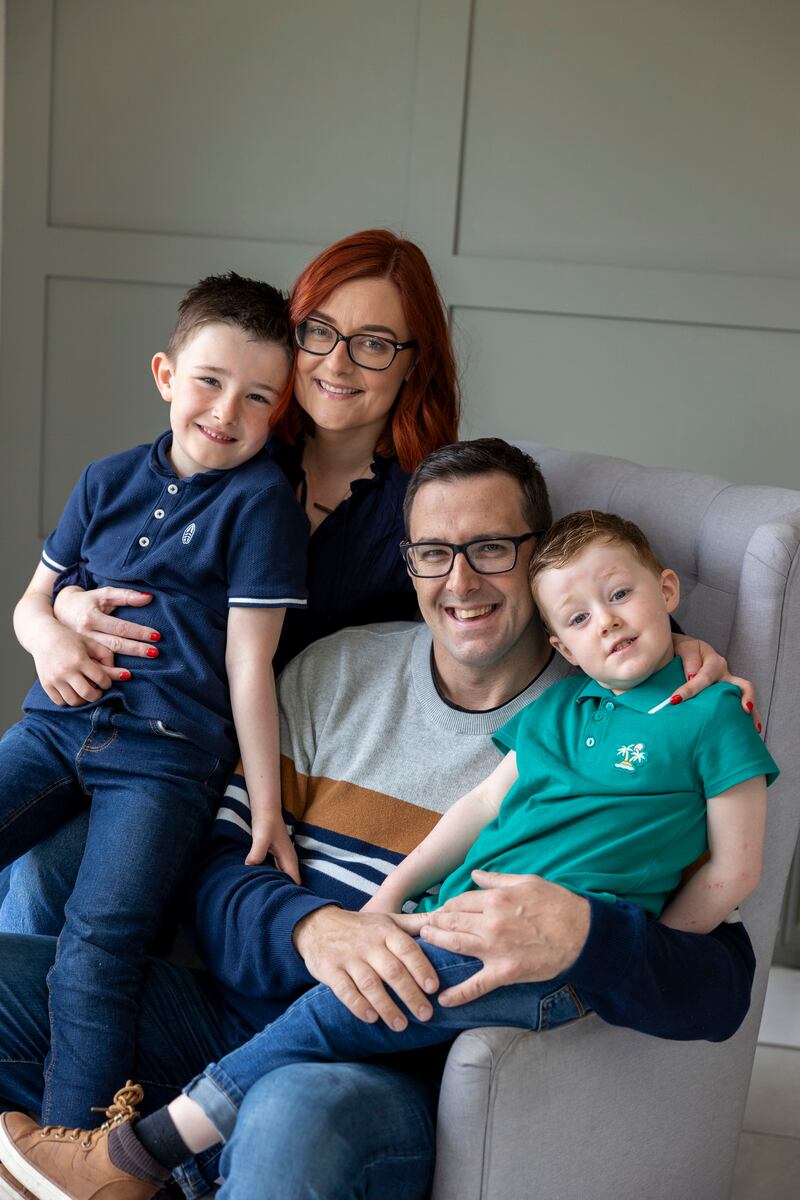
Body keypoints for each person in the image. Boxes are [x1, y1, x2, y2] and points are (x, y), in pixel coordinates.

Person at [0, 441, 762, 1200]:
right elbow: (212, 872)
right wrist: (313, 929)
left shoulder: (613, 723)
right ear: (410, 565)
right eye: (433, 553)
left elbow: (720, 982)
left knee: (291, 1111)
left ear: (533, 560)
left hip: (376, 1076)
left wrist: (588, 935)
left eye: (491, 548)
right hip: (224, 1019)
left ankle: (146, 1161)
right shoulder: (333, 671)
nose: (460, 581)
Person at [0, 226, 460, 934]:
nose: (337, 362)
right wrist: (64, 606)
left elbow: (502, 614)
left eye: (372, 343)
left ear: (413, 363)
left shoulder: (426, 508)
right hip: (111, 719)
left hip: (248, 769)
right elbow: (104, 557)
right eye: (318, 332)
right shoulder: (232, 445)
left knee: (44, 877)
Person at [0, 273, 309, 1127]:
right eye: (209, 381)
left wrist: (267, 810)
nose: (227, 412)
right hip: (57, 724)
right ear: (166, 376)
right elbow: (32, 601)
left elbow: (250, 665)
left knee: (97, 951)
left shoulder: (261, 506)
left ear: (279, 410)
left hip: (165, 760)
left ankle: (77, 1153)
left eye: (258, 398)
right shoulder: (106, 480)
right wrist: (51, 636)